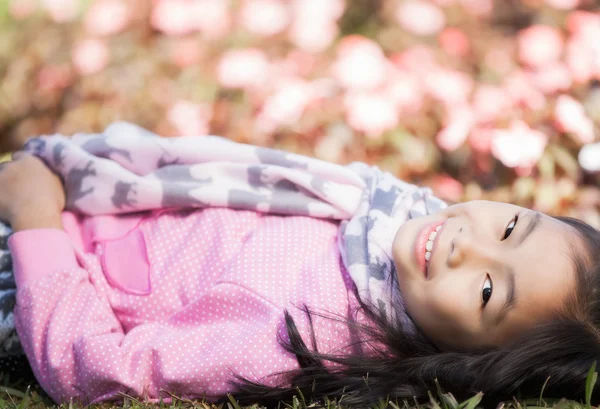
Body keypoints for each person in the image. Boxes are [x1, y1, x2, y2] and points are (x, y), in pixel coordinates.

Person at [0, 127, 599, 408]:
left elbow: (101, 374)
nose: (470, 244)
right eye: (513, 226)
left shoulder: (301, 335)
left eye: (490, 290)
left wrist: (35, 220)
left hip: (42, 251)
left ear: (476, 361)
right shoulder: (385, 214)